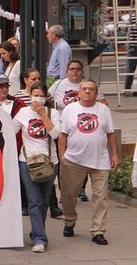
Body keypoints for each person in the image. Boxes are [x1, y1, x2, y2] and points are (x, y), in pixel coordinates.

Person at [58, 80, 118, 246]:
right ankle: (69, 221)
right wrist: (62, 155)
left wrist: (114, 155)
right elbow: (62, 135)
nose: (87, 92)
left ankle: (98, 231)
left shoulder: (104, 110)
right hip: (73, 160)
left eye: (91, 89)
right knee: (68, 195)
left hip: (100, 160)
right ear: (79, 92)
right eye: (84, 89)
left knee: (101, 197)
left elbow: (111, 134)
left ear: (96, 93)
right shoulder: (70, 110)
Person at [12, 82, 61, 253]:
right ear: (30, 96)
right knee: (34, 201)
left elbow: (56, 134)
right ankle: (40, 239)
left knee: (44, 201)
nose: (37, 98)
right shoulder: (23, 112)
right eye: (34, 95)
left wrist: (42, 114)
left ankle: (36, 232)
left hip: (49, 162)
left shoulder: (53, 113)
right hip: (27, 162)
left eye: (41, 95)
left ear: (46, 97)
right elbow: (10, 130)